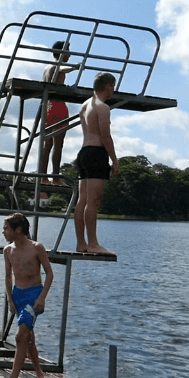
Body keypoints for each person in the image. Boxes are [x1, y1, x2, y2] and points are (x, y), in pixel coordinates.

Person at [0, 213, 54, 378]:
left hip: (33, 295)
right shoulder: (8, 250)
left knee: (20, 336)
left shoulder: (36, 248)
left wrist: (42, 298)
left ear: (18, 229)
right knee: (28, 339)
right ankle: (40, 374)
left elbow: (50, 274)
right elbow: (8, 277)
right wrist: (10, 299)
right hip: (18, 295)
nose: (3, 232)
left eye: (6, 228)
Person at [74, 72, 119, 256]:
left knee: (82, 200)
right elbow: (105, 136)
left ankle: (81, 243)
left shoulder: (85, 105)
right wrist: (114, 160)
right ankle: (93, 244)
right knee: (94, 201)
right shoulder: (102, 107)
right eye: (113, 85)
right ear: (107, 85)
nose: (113, 89)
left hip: (83, 153)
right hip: (96, 153)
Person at [40, 41, 79, 186]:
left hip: (47, 105)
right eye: (68, 51)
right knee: (58, 144)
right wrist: (75, 67)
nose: (70, 54)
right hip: (57, 106)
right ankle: (55, 178)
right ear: (62, 52)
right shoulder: (57, 66)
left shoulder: (47, 67)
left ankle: (43, 177)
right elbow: (62, 69)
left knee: (47, 144)